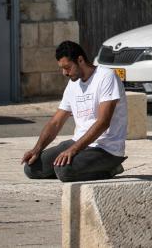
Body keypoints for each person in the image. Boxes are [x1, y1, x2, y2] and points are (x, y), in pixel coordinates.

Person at [22, 41, 128, 182]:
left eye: (67, 67)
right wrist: (37, 149)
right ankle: (77, 168)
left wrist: (74, 149)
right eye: (62, 68)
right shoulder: (73, 84)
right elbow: (55, 122)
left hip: (106, 149)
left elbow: (103, 122)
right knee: (32, 168)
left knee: (65, 171)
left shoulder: (106, 77)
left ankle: (111, 168)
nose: (64, 73)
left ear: (80, 60)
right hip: (78, 143)